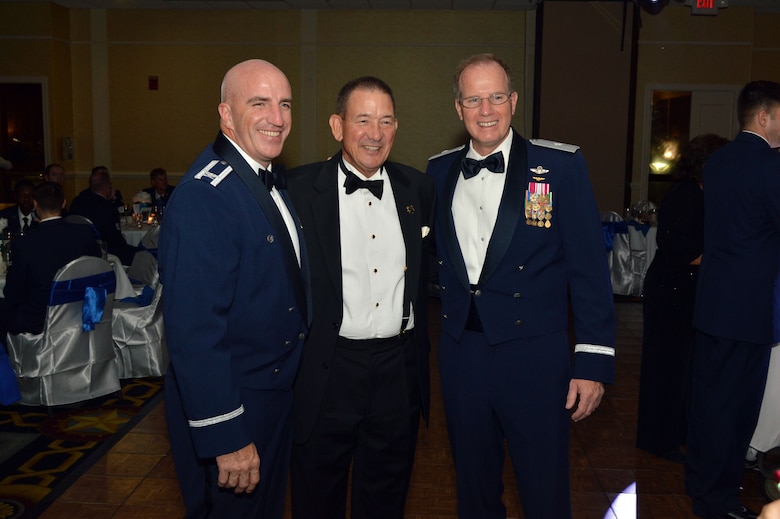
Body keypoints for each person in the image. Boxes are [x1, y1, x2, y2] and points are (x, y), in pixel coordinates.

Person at [425, 53, 615, 519]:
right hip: (461, 355)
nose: (485, 109)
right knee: (473, 487)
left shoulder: (559, 166)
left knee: (544, 487)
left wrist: (592, 362)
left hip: (535, 356)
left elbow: (589, 269)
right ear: (458, 108)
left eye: (495, 97)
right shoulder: (437, 172)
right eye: (473, 99)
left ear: (513, 101)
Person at [158, 58, 310, 519]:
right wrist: (227, 436)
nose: (277, 117)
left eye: (284, 104)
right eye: (259, 103)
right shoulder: (206, 196)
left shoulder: (262, 180)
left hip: (270, 396)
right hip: (236, 405)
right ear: (225, 114)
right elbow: (195, 332)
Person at [286, 76, 434, 519]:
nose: (375, 133)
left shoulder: (418, 190)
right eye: (363, 120)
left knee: (386, 500)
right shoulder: (296, 190)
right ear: (337, 126)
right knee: (317, 498)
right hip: (327, 369)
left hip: (397, 370)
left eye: (386, 121)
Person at [685, 80, 780, 519]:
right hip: (748, 310)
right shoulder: (770, 165)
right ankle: (719, 500)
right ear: (764, 116)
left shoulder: (720, 162)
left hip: (714, 304)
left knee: (709, 404)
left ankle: (702, 487)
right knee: (735, 411)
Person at [636, 133, 729, 463]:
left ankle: (680, 433)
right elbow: (680, 250)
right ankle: (657, 440)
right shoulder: (685, 195)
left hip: (687, 293)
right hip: (671, 293)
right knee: (666, 370)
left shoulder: (707, 194)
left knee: (685, 371)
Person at [0, 182, 101, 339]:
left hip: (39, 321)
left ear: (35, 204)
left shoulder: (25, 243)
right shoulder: (85, 233)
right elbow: (96, 270)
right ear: (63, 203)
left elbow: (12, 293)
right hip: (79, 312)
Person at [69, 167, 138, 265]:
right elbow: (115, 240)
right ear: (107, 188)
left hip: (79, 250)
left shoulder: (77, 201)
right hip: (105, 252)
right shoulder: (106, 208)